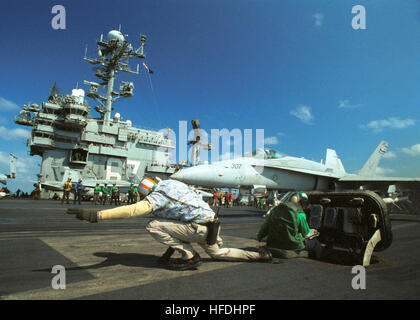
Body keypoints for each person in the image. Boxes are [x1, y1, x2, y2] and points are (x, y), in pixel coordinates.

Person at [67, 178, 272, 271]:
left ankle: (191, 256)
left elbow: (133, 210)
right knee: (218, 254)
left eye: (142, 196)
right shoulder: (172, 183)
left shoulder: (158, 196)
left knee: (153, 224)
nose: (142, 199)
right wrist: (168, 251)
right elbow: (175, 219)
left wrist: (97, 215)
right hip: (212, 224)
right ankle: (259, 255)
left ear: (145, 192)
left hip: (197, 228)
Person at [256, 191, 323, 259]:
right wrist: (313, 232)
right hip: (292, 245)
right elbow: (305, 233)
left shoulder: (274, 209)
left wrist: (259, 236)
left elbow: (264, 228)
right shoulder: (300, 214)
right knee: (315, 242)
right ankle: (319, 258)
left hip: (273, 244)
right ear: (301, 202)